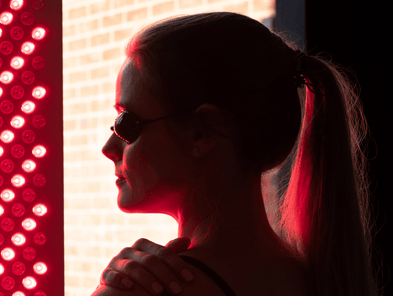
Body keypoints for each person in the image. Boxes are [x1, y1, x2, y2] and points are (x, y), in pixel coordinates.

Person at [94, 12, 379, 296]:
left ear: (202, 133)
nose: (108, 148)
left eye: (126, 123)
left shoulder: (149, 287)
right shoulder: (309, 276)